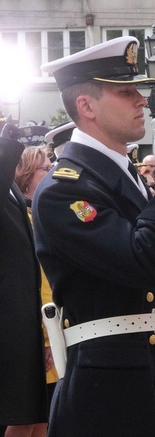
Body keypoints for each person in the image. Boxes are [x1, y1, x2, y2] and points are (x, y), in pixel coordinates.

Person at [33, 36, 155, 437]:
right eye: (126, 91)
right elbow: (146, 260)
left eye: (139, 90)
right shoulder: (66, 188)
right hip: (106, 387)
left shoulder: (121, 176)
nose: (142, 101)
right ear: (86, 106)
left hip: (151, 369)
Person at [1, 126, 49, 437]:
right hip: (7, 323)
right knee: (19, 414)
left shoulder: (13, 192)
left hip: (25, 319)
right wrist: (9, 140)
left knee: (35, 413)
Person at [15, 144, 58, 437]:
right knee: (25, 418)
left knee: (44, 418)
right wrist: (47, 335)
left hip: (51, 327)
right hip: (38, 330)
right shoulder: (24, 219)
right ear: (28, 176)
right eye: (45, 168)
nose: (52, 171)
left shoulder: (41, 214)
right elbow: (39, 281)